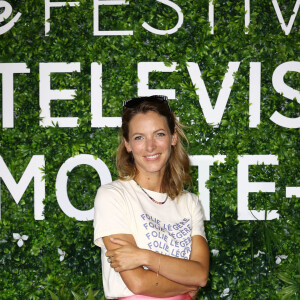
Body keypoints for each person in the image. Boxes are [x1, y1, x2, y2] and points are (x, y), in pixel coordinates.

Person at [94, 95, 209, 300]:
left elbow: (200, 275)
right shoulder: (112, 196)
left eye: (159, 134)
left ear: (173, 138)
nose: (150, 147)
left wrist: (144, 256)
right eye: (139, 137)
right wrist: (186, 281)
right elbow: (137, 282)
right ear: (127, 144)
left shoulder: (189, 203)